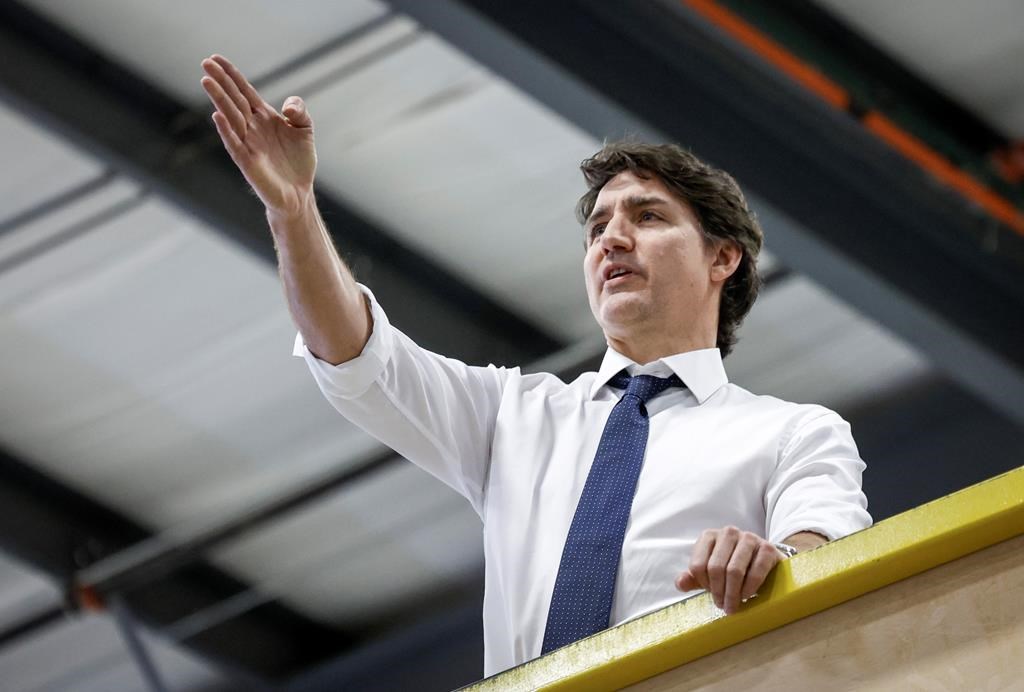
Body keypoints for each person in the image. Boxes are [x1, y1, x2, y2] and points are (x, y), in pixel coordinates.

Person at [201, 54, 871, 676]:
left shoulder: (793, 433)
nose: (613, 237)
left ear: (723, 258)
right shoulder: (512, 417)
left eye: (647, 216)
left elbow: (830, 553)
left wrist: (775, 562)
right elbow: (356, 355)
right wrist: (292, 211)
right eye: (597, 228)